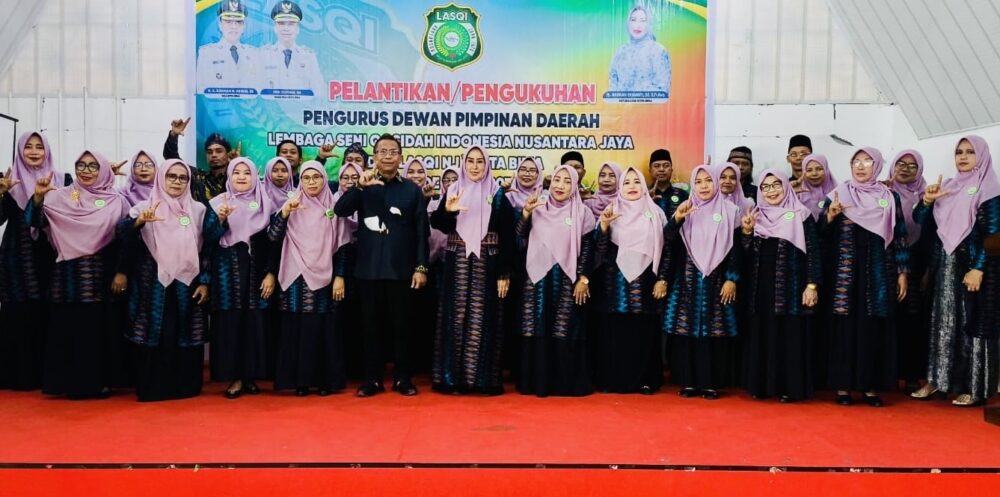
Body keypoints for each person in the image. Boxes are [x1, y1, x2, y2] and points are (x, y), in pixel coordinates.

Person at [118, 159, 225, 402]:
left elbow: (210, 246)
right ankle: (153, 388)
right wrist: (139, 222)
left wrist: (205, 281)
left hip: (187, 285)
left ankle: (184, 387)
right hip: (152, 285)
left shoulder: (198, 210)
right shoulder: (144, 207)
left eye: (182, 178)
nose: (177, 182)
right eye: (171, 176)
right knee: (155, 332)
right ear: (161, 178)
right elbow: (122, 235)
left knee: (184, 332)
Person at [27, 151, 130, 399]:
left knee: (95, 332)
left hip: (98, 275)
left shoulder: (116, 201)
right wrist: (38, 197)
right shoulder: (62, 196)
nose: (86, 171)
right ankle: (65, 383)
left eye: (93, 166)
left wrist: (121, 271)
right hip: (66, 275)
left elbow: (125, 240)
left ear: (103, 170)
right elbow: (34, 221)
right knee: (66, 329)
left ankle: (95, 383)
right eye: (81, 165)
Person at [333, 134, 429, 397]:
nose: (388, 156)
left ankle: (402, 378)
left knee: (403, 327)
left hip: (402, 271)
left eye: (393, 151)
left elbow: (422, 231)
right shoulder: (365, 186)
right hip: (369, 270)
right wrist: (358, 187)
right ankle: (372, 380)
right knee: (370, 328)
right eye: (382, 151)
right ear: (374, 157)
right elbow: (340, 210)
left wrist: (421, 267)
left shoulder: (412, 190)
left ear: (401, 157)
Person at [913, 136, 1000, 407]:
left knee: (972, 324)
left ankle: (974, 388)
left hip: (972, 267)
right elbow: (919, 220)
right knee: (941, 323)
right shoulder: (948, 187)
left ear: (981, 156)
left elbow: (994, 235)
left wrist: (978, 268)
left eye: (970, 152)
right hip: (943, 266)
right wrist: (927, 201)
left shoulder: (990, 189)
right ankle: (938, 380)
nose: (963, 157)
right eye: (959, 152)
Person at [820, 147, 909, 407]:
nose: (860, 167)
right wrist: (830, 216)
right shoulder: (837, 194)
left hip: (878, 272)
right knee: (844, 328)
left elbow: (900, 235)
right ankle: (843, 387)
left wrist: (903, 272)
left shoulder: (889, 196)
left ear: (877, 165)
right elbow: (820, 234)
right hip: (844, 274)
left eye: (867, 162)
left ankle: (870, 387)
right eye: (856, 162)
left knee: (873, 328)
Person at [430, 145, 516, 395]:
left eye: (480, 161)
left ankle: (482, 381)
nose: (475, 166)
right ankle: (450, 379)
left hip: (487, 264)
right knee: (455, 317)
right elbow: (439, 225)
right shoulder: (454, 190)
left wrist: (504, 274)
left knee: (483, 318)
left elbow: (508, 237)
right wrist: (448, 211)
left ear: (487, 165)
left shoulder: (497, 195)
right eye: (471, 161)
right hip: (457, 262)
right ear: (464, 164)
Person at [269, 161, 351, 396]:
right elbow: (273, 237)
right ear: (300, 181)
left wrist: (340, 276)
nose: (312, 182)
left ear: (325, 179)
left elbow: (343, 246)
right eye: (306, 178)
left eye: (317, 177)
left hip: (325, 276)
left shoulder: (334, 208)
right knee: (295, 328)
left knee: (322, 328)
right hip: (294, 275)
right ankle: (300, 382)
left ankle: (324, 381)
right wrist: (285, 213)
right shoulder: (291, 205)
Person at [515, 165, 597, 397]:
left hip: (567, 279)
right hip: (536, 279)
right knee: (536, 326)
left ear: (575, 186)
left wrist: (584, 278)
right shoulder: (538, 206)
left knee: (564, 328)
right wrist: (525, 214)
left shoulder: (583, 213)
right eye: (557, 180)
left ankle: (564, 385)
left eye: (567, 181)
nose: (560, 186)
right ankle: (536, 383)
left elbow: (588, 249)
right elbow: (519, 237)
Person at [740, 169, 821, 402]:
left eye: (776, 185)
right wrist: (746, 233)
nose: (771, 191)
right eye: (765, 187)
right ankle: (762, 386)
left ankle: (789, 387)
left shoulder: (801, 215)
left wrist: (812, 285)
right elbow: (743, 256)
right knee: (763, 334)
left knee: (789, 336)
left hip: (791, 288)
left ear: (785, 186)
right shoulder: (755, 216)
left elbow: (814, 252)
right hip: (760, 289)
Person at [663, 165, 742, 400]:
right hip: (687, 281)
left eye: (708, 180)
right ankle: (689, 382)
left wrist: (732, 278)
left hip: (717, 282)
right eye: (698, 182)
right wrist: (677, 219)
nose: (704, 186)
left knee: (714, 333)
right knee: (687, 332)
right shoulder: (686, 209)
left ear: (716, 183)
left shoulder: (731, 211)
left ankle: (711, 383)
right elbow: (667, 240)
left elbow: (738, 249)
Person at [593, 166, 669, 394]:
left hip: (646, 283)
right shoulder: (611, 210)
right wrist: (604, 226)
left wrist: (662, 279)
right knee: (615, 334)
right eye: (627, 182)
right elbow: (599, 251)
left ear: (644, 185)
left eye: (637, 182)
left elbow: (667, 250)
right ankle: (614, 381)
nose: (632, 186)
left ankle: (646, 380)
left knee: (643, 333)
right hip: (614, 285)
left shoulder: (656, 213)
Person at [0, 131, 64, 391]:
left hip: (50, 253)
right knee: (19, 313)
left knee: (48, 311)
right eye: (29, 147)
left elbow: (76, 205)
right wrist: (1, 194)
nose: (35, 151)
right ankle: (17, 375)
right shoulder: (9, 181)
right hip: (17, 256)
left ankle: (45, 374)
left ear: (47, 150)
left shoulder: (62, 180)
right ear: (20, 151)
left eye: (39, 147)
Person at [208, 158, 273, 399]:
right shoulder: (217, 203)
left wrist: (270, 273)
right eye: (237, 172)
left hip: (256, 270)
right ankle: (234, 378)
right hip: (228, 270)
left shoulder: (265, 203)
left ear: (255, 177)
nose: (242, 177)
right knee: (231, 323)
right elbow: (208, 238)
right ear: (229, 176)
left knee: (253, 323)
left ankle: (250, 376)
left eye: (247, 172)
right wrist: (220, 220)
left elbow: (273, 242)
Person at [887, 150, 932, 390]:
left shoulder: (928, 195)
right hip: (887, 260)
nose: (905, 169)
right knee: (889, 317)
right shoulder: (883, 193)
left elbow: (934, 234)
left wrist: (928, 270)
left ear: (920, 169)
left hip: (917, 262)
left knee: (913, 318)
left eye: (912, 166)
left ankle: (912, 374)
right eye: (900, 164)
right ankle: (889, 373)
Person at [258, 1, 326, 99]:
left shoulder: (309, 57)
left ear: (298, 29)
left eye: (291, 24)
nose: (286, 28)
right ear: (275, 28)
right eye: (281, 23)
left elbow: (319, 92)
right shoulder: (264, 55)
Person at [196, 0, 259, 96]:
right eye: (228, 21)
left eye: (238, 22)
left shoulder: (254, 53)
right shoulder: (207, 53)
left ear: (244, 26)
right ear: (220, 25)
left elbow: (259, 89)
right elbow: (201, 91)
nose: (233, 26)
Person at [162, 118, 233, 203]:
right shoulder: (199, 178)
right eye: (209, 152)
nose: (213, 155)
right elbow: (172, 160)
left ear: (228, 154)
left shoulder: (237, 179)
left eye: (219, 151)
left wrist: (234, 165)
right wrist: (174, 135)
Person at [608, 5, 671, 95]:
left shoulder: (658, 51)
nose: (637, 25)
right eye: (633, 20)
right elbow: (612, 89)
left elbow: (663, 91)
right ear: (628, 23)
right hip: (621, 104)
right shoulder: (620, 53)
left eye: (643, 20)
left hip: (649, 104)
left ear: (649, 24)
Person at [794, 153, 837, 221]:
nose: (814, 173)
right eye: (809, 170)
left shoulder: (838, 193)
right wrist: (790, 193)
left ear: (826, 170)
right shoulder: (796, 196)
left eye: (819, 169)